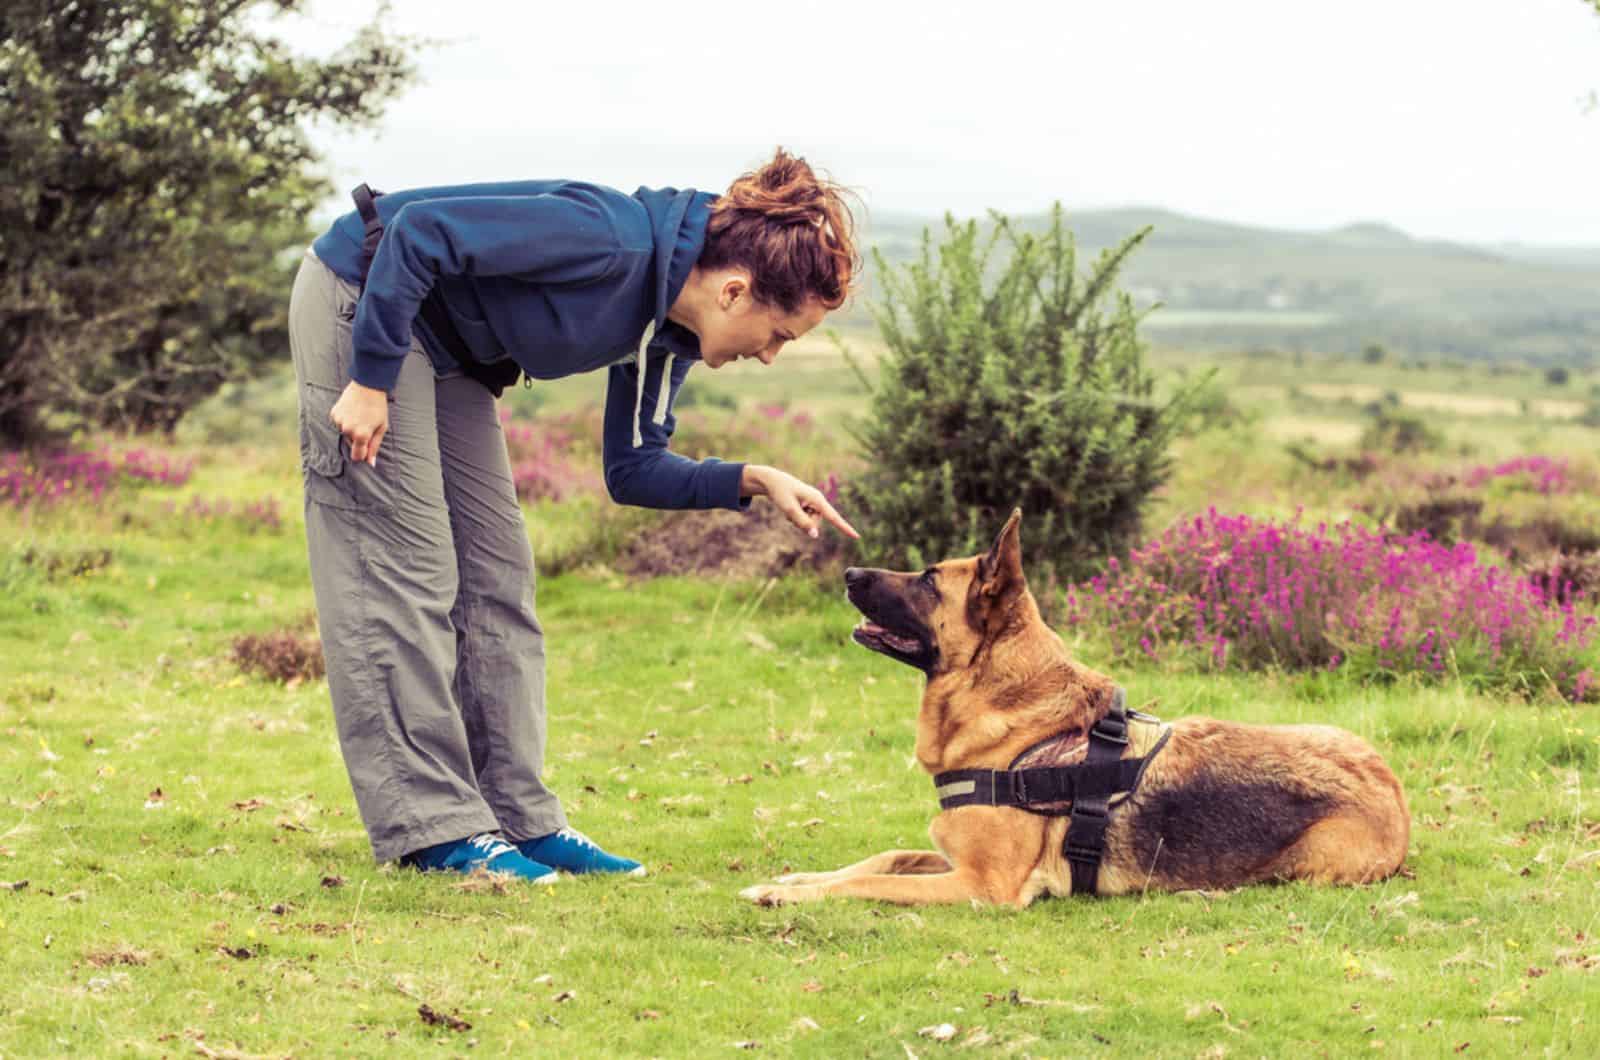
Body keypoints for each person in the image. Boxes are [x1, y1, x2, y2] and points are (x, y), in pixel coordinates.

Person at [287, 148, 860, 882]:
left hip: (452, 350)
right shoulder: (608, 237)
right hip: (368, 302)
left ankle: (519, 818)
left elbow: (633, 469)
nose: (773, 357)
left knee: (498, 576)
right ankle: (432, 828)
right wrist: (369, 379)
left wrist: (752, 479)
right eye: (779, 334)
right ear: (734, 292)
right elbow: (420, 232)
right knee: (407, 568)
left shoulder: (665, 336)